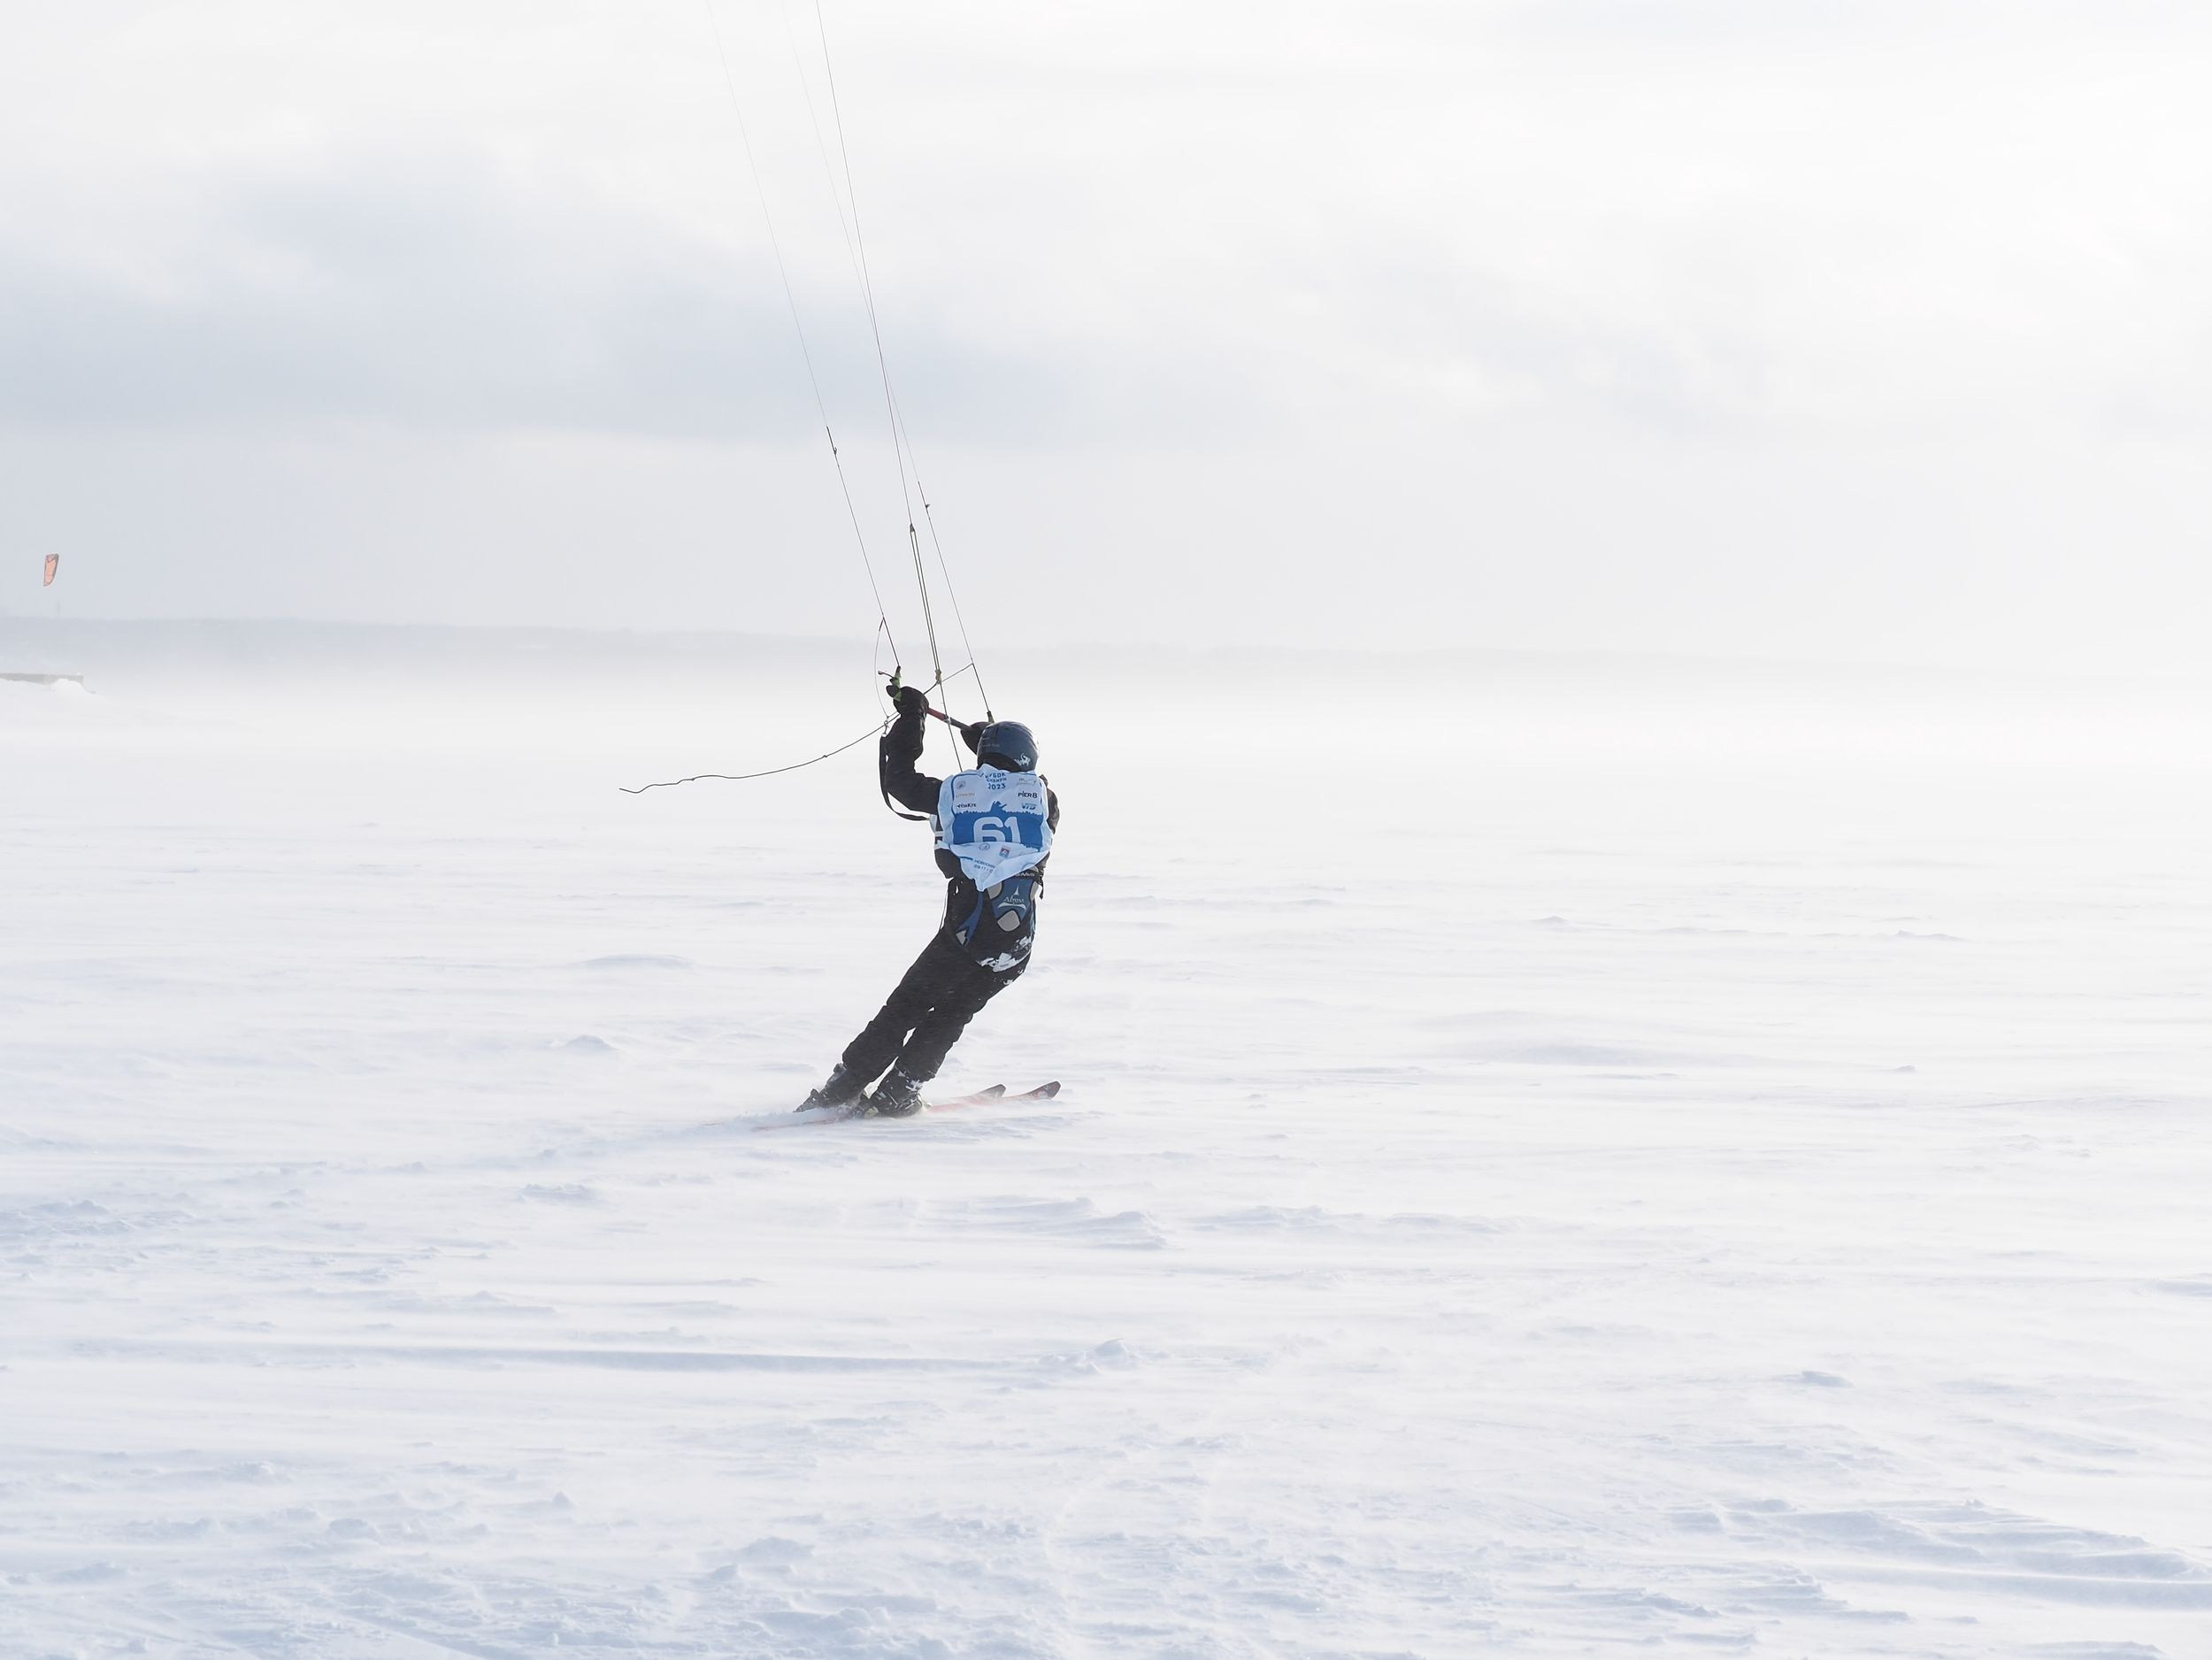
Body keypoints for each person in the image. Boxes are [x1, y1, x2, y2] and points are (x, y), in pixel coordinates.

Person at [799, 680, 1059, 1116]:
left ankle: (841, 1089)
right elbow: (1010, 781)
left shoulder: (949, 794)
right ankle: (900, 1090)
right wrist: (988, 742)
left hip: (965, 932)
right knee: (950, 1014)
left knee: (906, 1006)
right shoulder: (1045, 800)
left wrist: (912, 720)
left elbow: (900, 780)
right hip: (1015, 946)